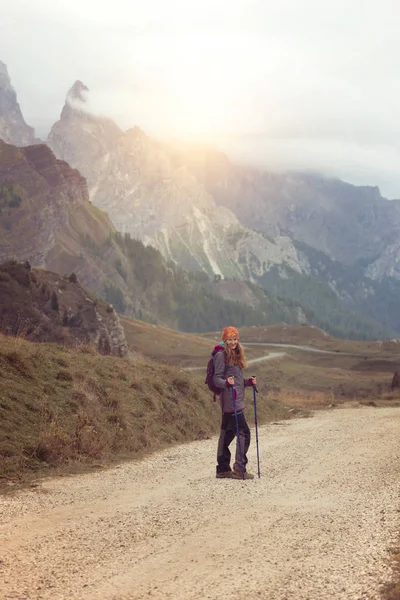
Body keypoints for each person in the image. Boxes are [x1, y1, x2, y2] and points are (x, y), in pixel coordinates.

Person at [212, 326, 257, 480]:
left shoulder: (235, 355)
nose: (233, 342)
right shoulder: (220, 355)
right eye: (229, 339)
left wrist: (248, 382)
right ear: (224, 340)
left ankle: (222, 469)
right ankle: (239, 469)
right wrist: (227, 383)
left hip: (235, 399)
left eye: (235, 339)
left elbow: (236, 381)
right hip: (231, 401)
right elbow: (216, 379)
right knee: (244, 433)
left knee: (227, 434)